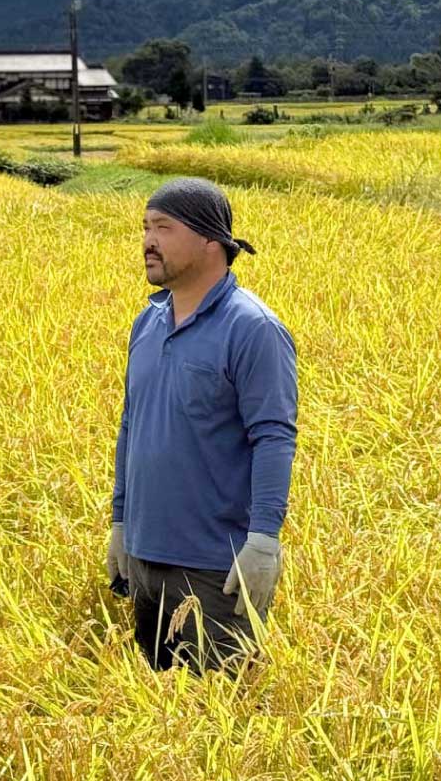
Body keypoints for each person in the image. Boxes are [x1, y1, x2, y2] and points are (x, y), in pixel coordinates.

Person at [105, 177, 298, 676]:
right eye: (145, 227)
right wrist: (122, 522)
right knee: (158, 728)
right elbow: (132, 424)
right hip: (146, 559)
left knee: (221, 730)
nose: (148, 240)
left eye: (163, 228)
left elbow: (273, 438)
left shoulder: (252, 329)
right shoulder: (147, 324)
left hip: (216, 570)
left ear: (210, 240)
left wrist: (263, 542)